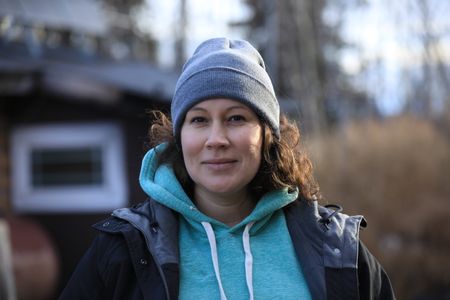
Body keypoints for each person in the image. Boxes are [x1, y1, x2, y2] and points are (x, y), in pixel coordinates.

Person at [60, 37, 395, 300]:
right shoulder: (126, 250)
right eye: (199, 120)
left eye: (236, 118)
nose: (216, 139)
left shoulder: (336, 249)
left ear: (267, 135)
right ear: (180, 137)